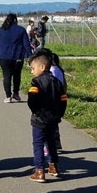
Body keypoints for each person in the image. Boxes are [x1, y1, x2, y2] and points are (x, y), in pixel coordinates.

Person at [27, 48, 67, 183]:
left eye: (33, 68)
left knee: (38, 143)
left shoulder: (36, 82)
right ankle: (53, 166)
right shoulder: (57, 82)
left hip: (39, 119)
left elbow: (32, 100)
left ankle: (39, 170)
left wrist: (36, 111)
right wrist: (59, 114)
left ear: (42, 67)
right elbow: (63, 100)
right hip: (53, 118)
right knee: (51, 142)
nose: (32, 71)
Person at [0, 13, 32, 103]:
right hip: (18, 57)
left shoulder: (1, 30)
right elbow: (27, 44)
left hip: (4, 57)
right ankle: (16, 94)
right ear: (15, 20)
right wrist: (30, 56)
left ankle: (8, 96)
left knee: (7, 77)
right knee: (17, 76)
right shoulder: (21, 30)